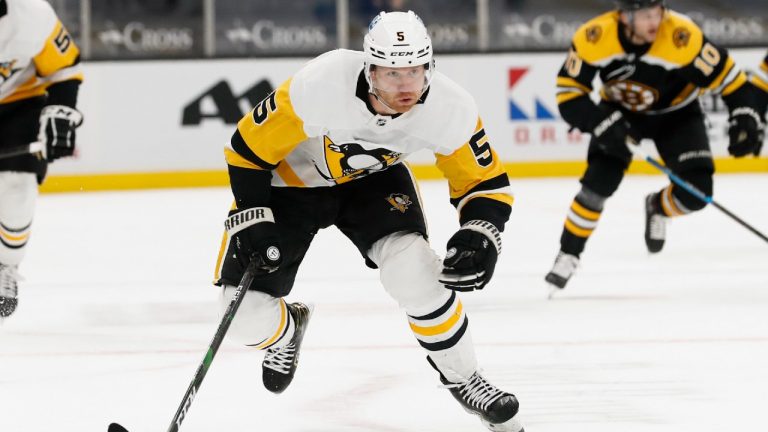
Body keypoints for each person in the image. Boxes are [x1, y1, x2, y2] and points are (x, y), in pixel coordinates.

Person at [212, 11, 523, 432]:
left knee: (415, 273)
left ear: (430, 67)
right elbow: (246, 149)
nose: (406, 85)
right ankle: (287, 332)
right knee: (242, 314)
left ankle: (464, 377)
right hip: (289, 183)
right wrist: (253, 218)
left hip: (372, 183)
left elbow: (485, 182)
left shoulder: (452, 107)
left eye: (415, 70)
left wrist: (481, 233)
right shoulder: (321, 81)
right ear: (369, 69)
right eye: (393, 73)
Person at [545, 0, 764, 294]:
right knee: (598, 184)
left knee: (697, 192)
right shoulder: (595, 36)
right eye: (646, 15)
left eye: (657, 12)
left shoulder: (680, 36)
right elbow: (569, 92)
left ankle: (657, 207)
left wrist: (746, 115)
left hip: (678, 114)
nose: (655, 21)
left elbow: (730, 79)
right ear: (624, 16)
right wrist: (599, 121)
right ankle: (568, 253)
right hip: (620, 114)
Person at [0, 0, 84, 318]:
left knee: (18, 188)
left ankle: (5, 267)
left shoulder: (32, 15)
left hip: (18, 102)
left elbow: (66, 69)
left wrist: (61, 113)